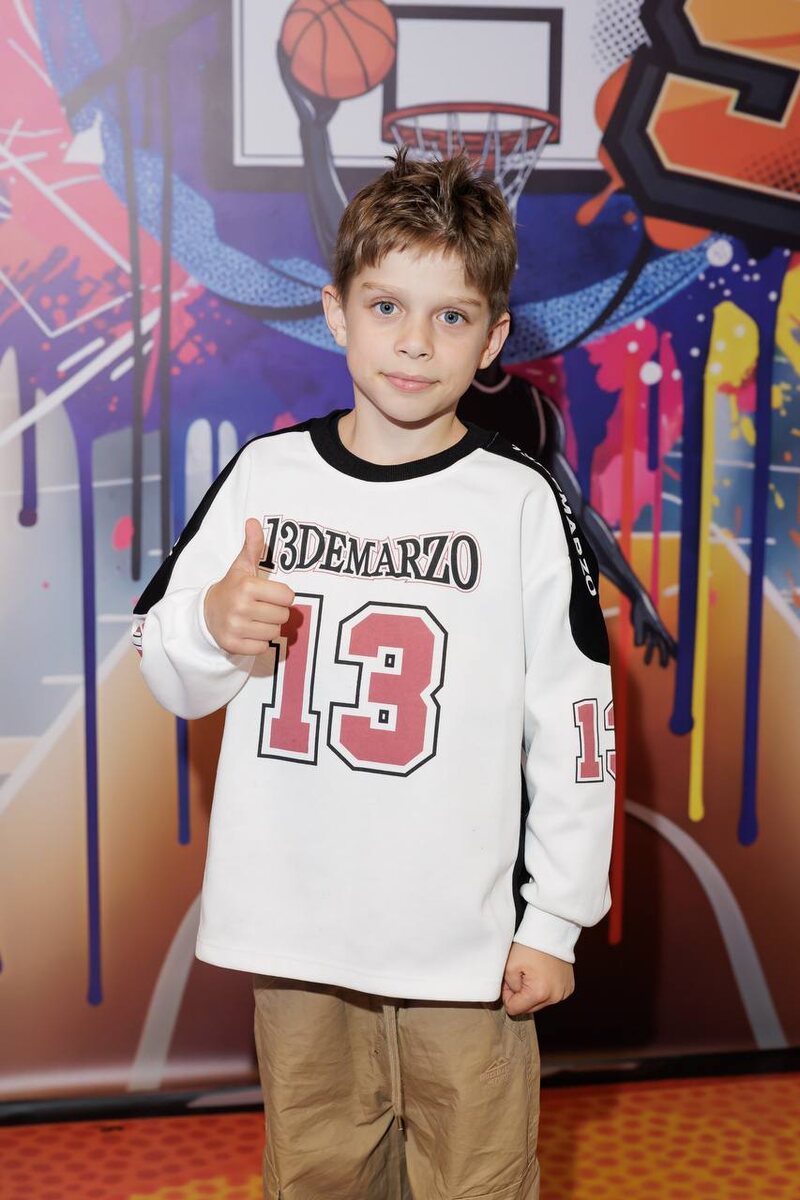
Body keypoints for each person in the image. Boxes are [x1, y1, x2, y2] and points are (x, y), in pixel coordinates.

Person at [133, 150, 615, 1200]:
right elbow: (170, 673)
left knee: (476, 1181)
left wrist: (554, 920)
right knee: (316, 1178)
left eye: (451, 317)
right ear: (335, 313)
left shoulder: (520, 502)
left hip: (464, 951)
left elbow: (576, 725)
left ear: (493, 339)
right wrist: (212, 624)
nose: (414, 341)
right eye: (387, 305)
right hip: (299, 940)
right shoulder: (265, 476)